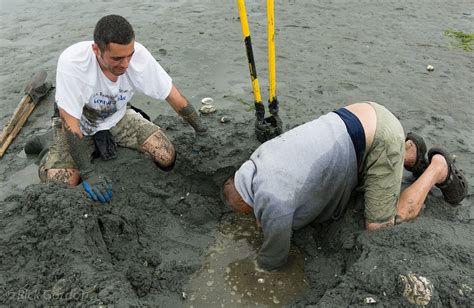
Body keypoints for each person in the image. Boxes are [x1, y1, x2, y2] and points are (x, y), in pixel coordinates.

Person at [222, 101, 468, 271]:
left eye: (252, 213)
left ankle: (437, 168)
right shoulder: (258, 159)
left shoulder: (272, 198)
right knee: (361, 158)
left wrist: (257, 267)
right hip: (357, 117)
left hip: (381, 134)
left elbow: (273, 258)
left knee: (380, 226)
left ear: (252, 201)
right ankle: (409, 151)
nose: (256, 218)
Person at [35, 15, 207, 203]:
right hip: (77, 122)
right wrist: (89, 173)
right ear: (96, 50)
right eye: (117, 58)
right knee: (61, 186)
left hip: (116, 113)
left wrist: (201, 130)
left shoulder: (138, 56)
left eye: (129, 55)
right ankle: (46, 148)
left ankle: (105, 137)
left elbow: (173, 96)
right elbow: (70, 124)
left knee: (166, 155)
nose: (125, 64)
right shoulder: (73, 63)